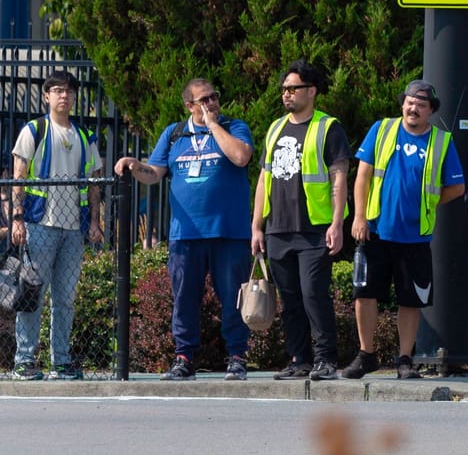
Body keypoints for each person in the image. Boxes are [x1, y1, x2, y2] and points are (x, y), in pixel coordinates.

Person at [115, 78, 254, 380]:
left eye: (214, 97)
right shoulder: (174, 134)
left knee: (232, 296)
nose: (211, 103)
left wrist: (213, 126)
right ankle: (184, 358)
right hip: (185, 234)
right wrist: (133, 165)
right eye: (204, 100)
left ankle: (237, 357)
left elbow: (241, 157)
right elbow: (154, 174)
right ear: (189, 106)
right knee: (184, 298)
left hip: (228, 231)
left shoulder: (234, 127)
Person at [348, 80, 466, 381]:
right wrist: (359, 217)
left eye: (421, 105)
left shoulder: (442, 141)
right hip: (374, 229)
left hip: (414, 235)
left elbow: (457, 186)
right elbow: (361, 175)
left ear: (431, 111)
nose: (413, 108)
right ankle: (366, 354)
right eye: (409, 102)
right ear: (403, 104)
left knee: (411, 300)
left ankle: (404, 359)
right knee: (364, 294)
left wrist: (428, 202)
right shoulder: (382, 129)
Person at [253, 61, 350, 382]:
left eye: (293, 89)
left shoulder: (328, 127)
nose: (286, 95)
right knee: (290, 300)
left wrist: (337, 223)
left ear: (312, 91)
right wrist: (257, 225)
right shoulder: (275, 127)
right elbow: (264, 179)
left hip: (313, 229)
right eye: (284, 89)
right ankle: (299, 359)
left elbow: (339, 177)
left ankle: (326, 360)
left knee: (313, 295)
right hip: (278, 228)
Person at [11, 70, 103, 380]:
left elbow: (94, 182)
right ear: (47, 96)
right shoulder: (34, 130)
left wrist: (95, 221)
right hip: (39, 224)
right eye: (58, 91)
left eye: (69, 91)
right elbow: (18, 177)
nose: (64, 96)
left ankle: (60, 361)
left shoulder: (85, 136)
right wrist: (17, 218)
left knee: (65, 298)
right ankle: (24, 360)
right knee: (32, 295)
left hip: (72, 229)